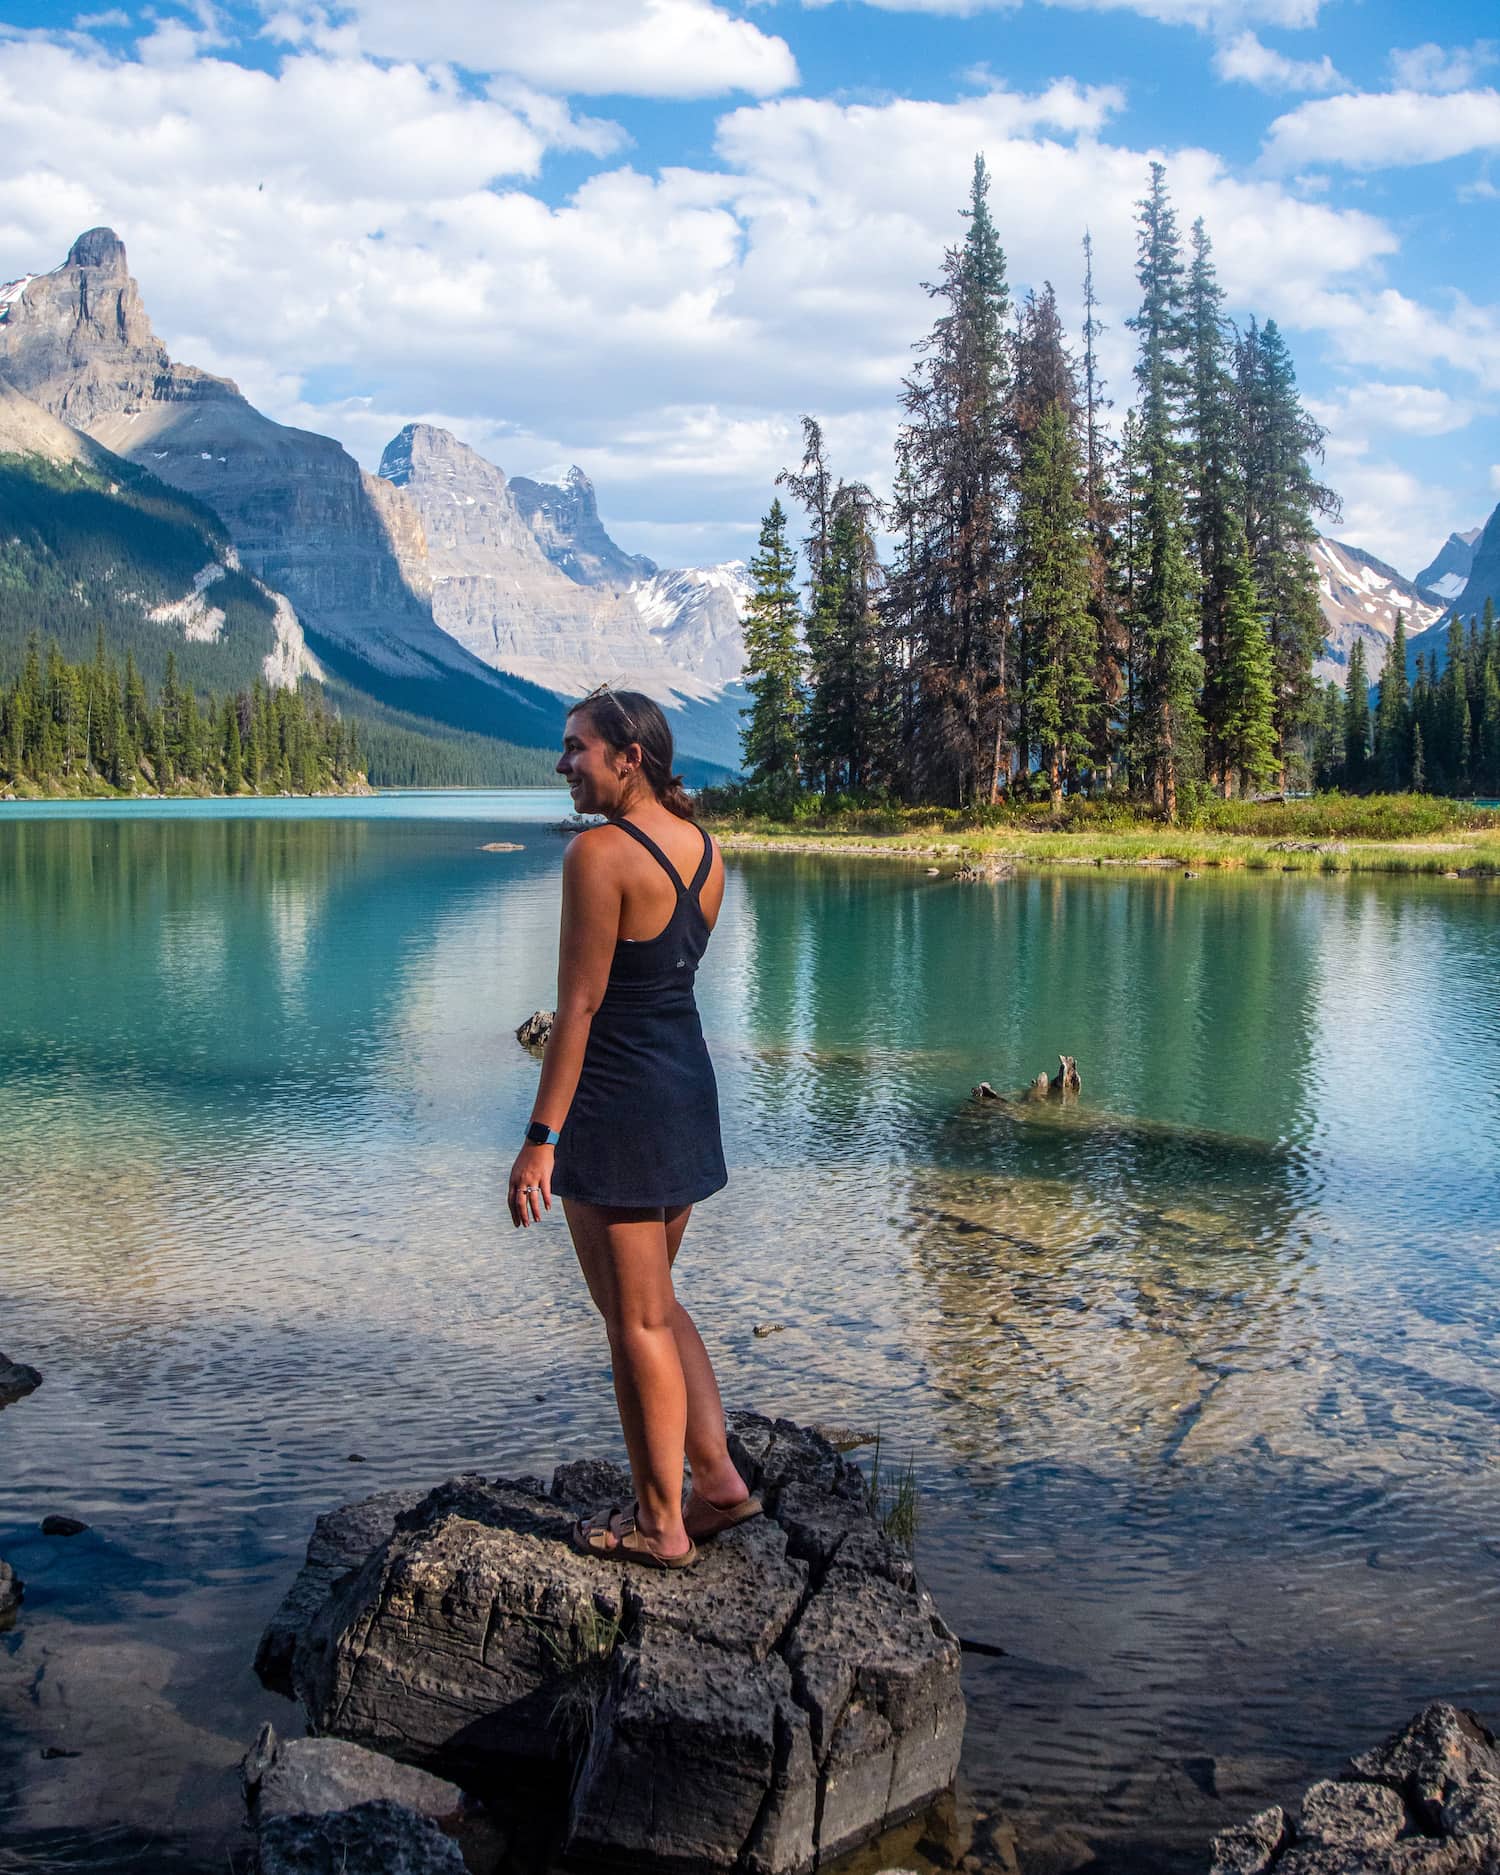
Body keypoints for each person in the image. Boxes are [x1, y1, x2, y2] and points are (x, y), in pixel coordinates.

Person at [507, 688, 760, 1570]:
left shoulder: (599, 856)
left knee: (635, 1325)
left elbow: (578, 1007)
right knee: (652, 1306)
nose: (563, 765)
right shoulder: (706, 851)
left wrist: (542, 1134)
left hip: (618, 1107)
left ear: (629, 756)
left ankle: (662, 1526)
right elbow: (660, 990)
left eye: (576, 747)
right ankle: (718, 1482)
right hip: (686, 1093)